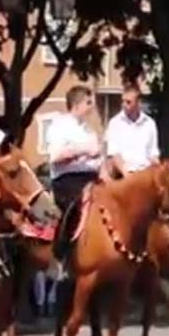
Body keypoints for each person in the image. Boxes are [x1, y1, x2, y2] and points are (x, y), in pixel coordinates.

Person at [47, 85, 104, 262]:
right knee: (77, 207)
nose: (92, 106)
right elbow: (56, 156)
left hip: (92, 177)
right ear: (77, 104)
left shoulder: (89, 130)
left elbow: (97, 161)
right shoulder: (60, 125)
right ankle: (63, 253)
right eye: (88, 102)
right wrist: (83, 150)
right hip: (68, 179)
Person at [103, 84, 159, 177]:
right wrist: (127, 174)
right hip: (123, 175)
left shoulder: (149, 123)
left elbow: (153, 153)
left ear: (139, 102)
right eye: (123, 101)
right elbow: (113, 153)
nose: (124, 105)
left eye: (128, 102)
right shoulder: (115, 123)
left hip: (144, 174)